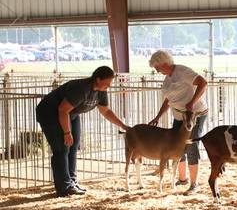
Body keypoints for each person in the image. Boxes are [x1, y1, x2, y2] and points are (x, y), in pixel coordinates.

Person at [35, 66, 129, 197]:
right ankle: (64, 187)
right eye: (107, 82)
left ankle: (72, 182)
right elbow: (62, 109)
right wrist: (67, 133)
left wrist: (123, 126)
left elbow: (105, 111)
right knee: (62, 148)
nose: (109, 85)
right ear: (98, 79)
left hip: (71, 114)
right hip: (50, 113)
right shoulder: (81, 89)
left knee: (73, 147)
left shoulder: (101, 91)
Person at [148, 50, 209, 195]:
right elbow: (168, 100)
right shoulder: (168, 77)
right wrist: (157, 117)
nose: (157, 70)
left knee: (191, 145)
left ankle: (194, 184)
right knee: (176, 146)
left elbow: (203, 83)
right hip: (178, 116)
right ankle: (182, 179)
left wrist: (191, 103)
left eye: (157, 67)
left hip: (194, 114)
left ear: (164, 63)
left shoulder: (182, 71)